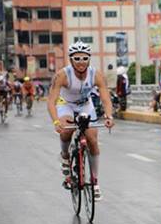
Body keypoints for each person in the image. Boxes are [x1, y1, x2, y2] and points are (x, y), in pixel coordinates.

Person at [47, 42, 114, 201]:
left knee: (92, 140)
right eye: (77, 59)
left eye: (85, 58)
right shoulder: (62, 75)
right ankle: (64, 155)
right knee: (67, 128)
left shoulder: (96, 74)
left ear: (89, 59)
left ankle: (95, 182)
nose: (81, 62)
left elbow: (105, 98)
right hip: (66, 104)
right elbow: (51, 101)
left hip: (85, 105)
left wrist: (109, 116)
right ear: (70, 60)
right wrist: (56, 122)